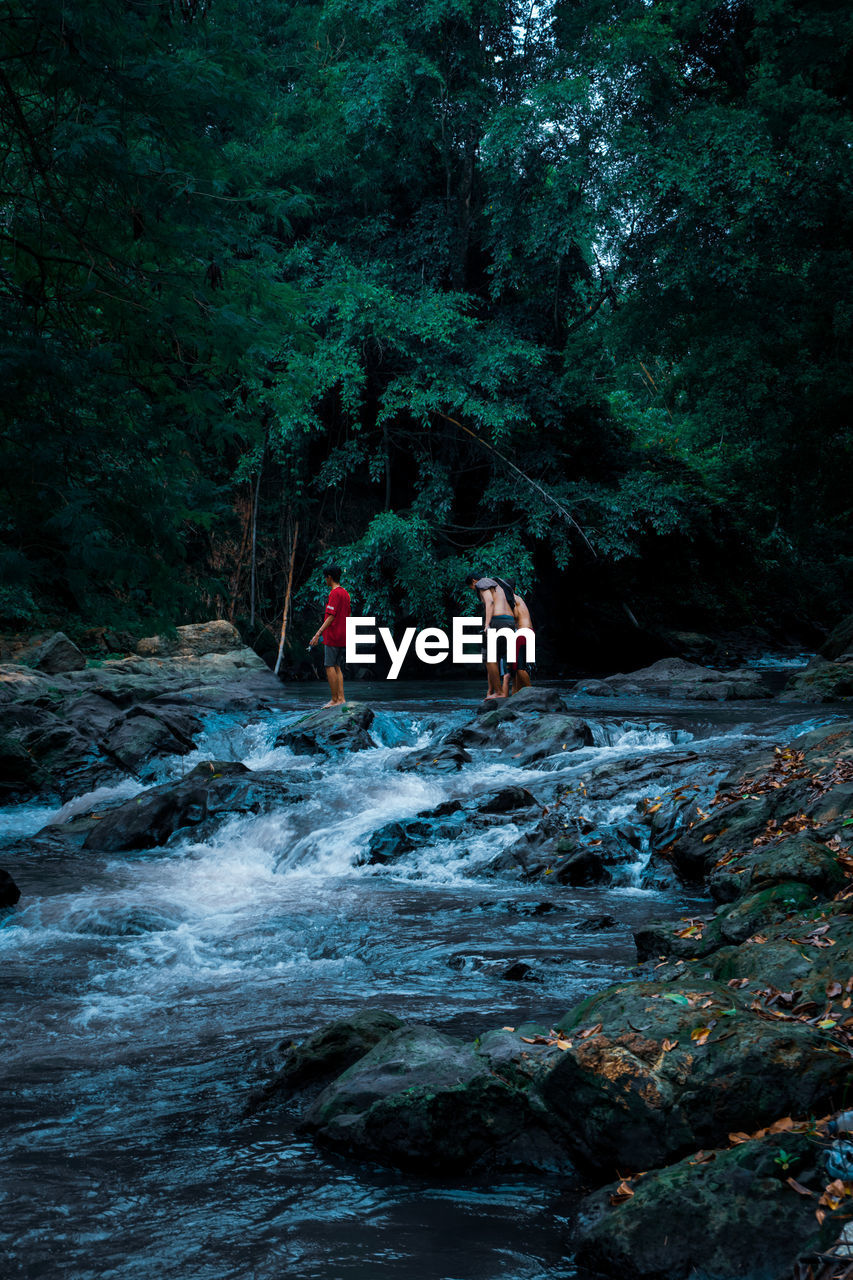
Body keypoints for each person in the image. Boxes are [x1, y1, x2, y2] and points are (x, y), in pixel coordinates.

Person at [466, 573, 516, 698]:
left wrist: (487, 625)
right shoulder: (499, 584)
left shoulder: (482, 583)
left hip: (497, 621)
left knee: (489, 658)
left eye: (471, 588)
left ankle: (499, 692)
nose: (474, 591)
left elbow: (490, 602)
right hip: (509, 621)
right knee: (499, 657)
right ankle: (496, 692)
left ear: (473, 581)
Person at [309, 564, 351, 707]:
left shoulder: (334, 593)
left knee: (328, 666)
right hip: (343, 634)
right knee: (337, 666)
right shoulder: (345, 593)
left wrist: (318, 633)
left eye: (325, 577)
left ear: (330, 577)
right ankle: (341, 699)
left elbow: (331, 616)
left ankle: (335, 700)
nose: (325, 580)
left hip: (333, 634)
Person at [509, 586, 533, 692]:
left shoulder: (512, 599)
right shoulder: (519, 598)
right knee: (516, 666)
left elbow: (515, 615)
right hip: (527, 632)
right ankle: (516, 693)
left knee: (519, 667)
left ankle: (531, 692)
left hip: (522, 634)